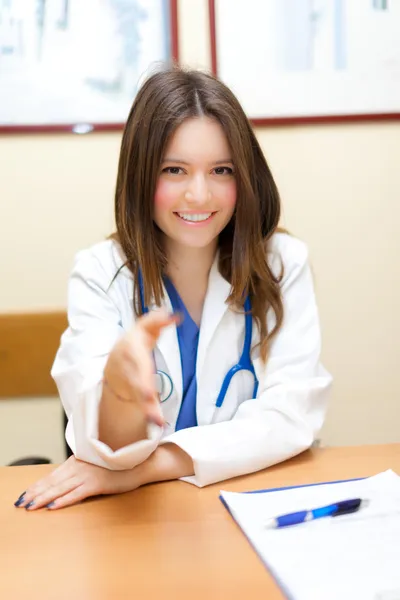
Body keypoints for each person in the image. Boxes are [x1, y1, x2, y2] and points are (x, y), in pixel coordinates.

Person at [14, 66, 332, 511]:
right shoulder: (101, 272)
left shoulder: (281, 263)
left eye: (221, 169)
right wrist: (120, 392)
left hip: (249, 507)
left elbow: (291, 419)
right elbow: (104, 445)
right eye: (174, 170)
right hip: (140, 525)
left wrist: (144, 470)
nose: (199, 195)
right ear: (142, 176)